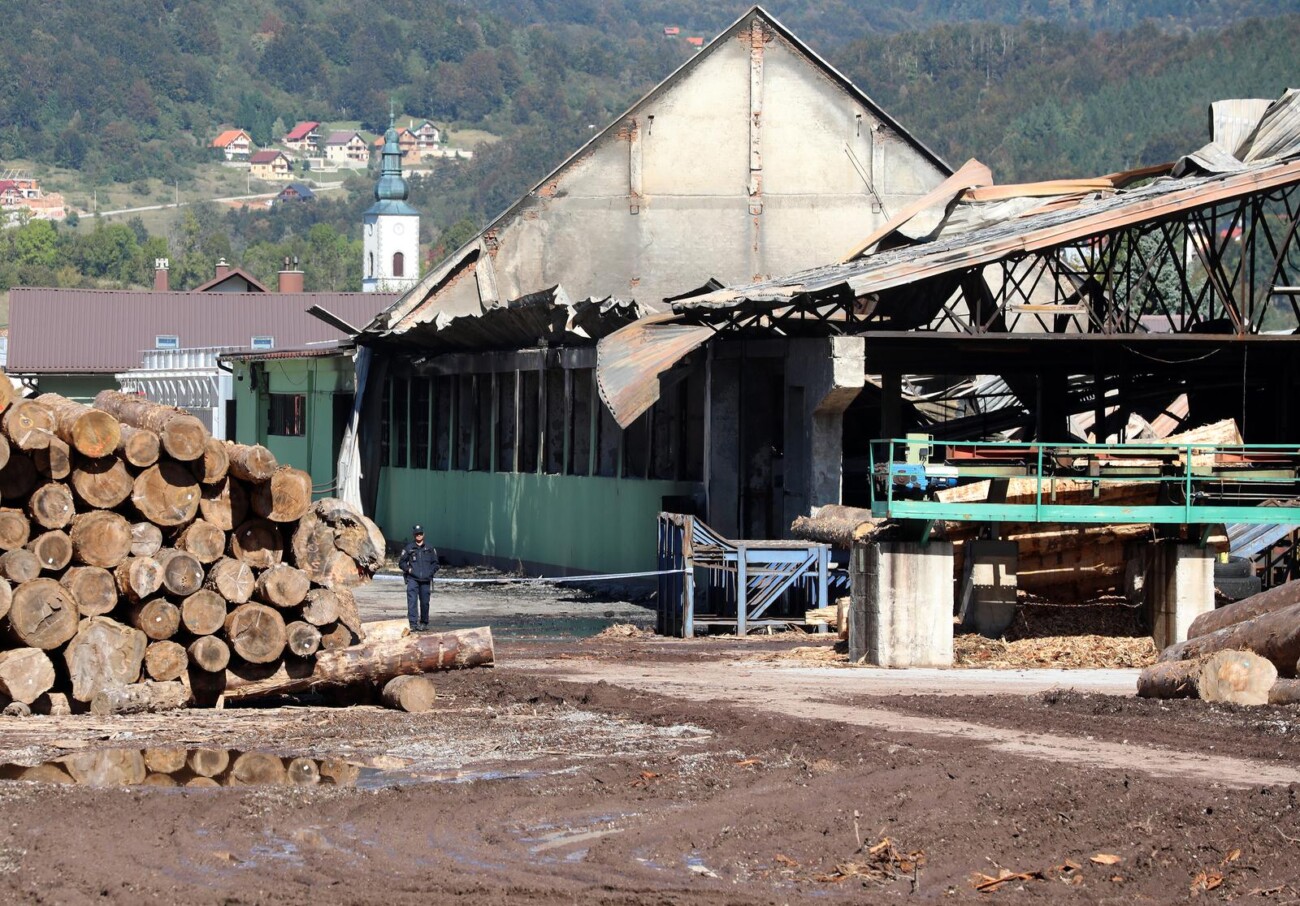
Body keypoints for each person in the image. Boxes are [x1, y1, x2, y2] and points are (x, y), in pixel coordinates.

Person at [398, 524, 438, 631]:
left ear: (423, 534)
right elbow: (401, 563)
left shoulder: (429, 548)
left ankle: (424, 622)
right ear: (414, 535)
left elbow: (436, 564)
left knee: (425, 602)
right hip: (413, 579)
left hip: (425, 580)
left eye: (420, 534)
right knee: (412, 601)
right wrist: (408, 569)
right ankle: (413, 623)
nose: (418, 536)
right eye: (416, 534)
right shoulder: (409, 548)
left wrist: (430, 573)